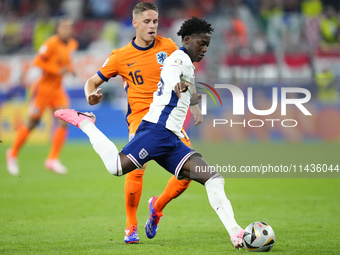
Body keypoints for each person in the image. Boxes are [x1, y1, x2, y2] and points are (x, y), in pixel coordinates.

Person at [55, 16, 244, 250]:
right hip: (155, 130)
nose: (205, 49)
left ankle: (236, 233)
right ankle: (85, 123)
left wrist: (192, 102)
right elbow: (173, 74)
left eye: (208, 44)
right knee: (117, 167)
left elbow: (185, 82)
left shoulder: (183, 59)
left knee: (213, 178)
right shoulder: (177, 58)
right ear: (187, 39)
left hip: (171, 138)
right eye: (201, 43)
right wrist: (178, 86)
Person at [80, 2, 202, 244]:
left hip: (168, 121)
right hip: (141, 120)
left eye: (155, 21)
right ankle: (130, 225)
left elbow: (187, 75)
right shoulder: (120, 56)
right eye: (147, 21)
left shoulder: (168, 47)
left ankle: (156, 207)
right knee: (136, 168)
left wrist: (195, 105)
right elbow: (91, 82)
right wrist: (90, 96)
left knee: (188, 174)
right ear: (135, 23)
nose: (152, 26)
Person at [6, 19, 78, 175]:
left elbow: (67, 62)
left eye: (70, 28)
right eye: (64, 27)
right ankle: (12, 154)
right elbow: (37, 61)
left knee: (65, 120)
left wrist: (71, 69)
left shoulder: (72, 44)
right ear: (58, 29)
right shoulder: (51, 43)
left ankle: (52, 159)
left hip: (58, 90)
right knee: (32, 123)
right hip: (43, 89)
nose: (67, 30)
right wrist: (56, 70)